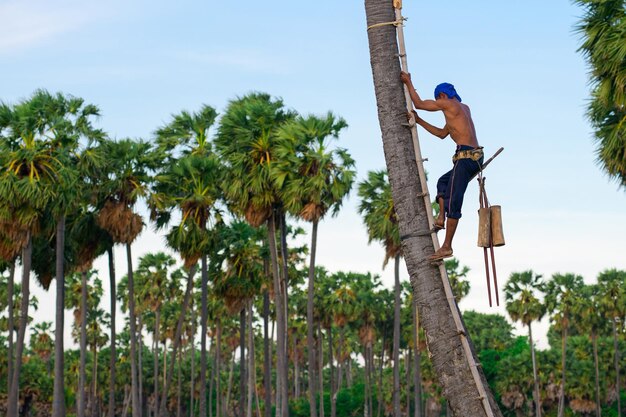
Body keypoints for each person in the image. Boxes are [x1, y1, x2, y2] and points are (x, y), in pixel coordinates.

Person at [400, 71, 484, 261]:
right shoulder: (463, 109)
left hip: (466, 157)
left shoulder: (448, 104)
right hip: (473, 157)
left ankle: (447, 246)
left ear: (442, 97)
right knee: (443, 183)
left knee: (454, 197)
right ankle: (441, 217)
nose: (438, 104)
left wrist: (408, 82)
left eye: (438, 100)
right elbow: (441, 134)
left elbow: (420, 104)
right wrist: (419, 122)